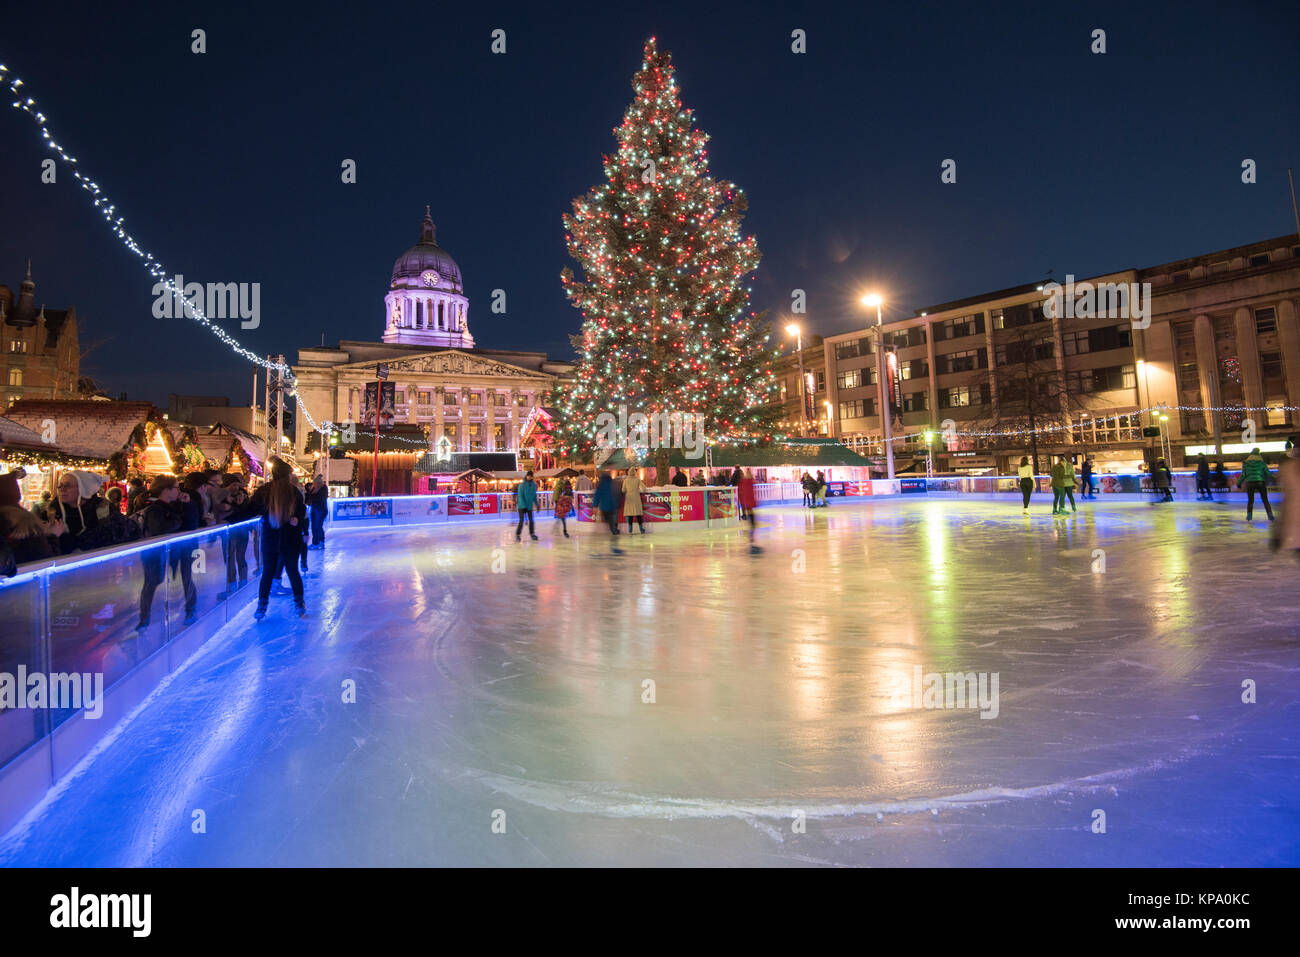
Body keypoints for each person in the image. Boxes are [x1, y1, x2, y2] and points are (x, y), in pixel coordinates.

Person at [229, 460, 306, 619]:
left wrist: (230, 519)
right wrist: (297, 520)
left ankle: (262, 606)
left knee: (268, 572)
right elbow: (301, 511)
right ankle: (299, 603)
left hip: (271, 537)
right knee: (292, 571)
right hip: (290, 538)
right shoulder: (293, 491)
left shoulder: (265, 491)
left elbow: (249, 510)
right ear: (287, 475)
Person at [136, 475, 198, 629]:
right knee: (153, 581)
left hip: (181, 548)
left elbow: (192, 525)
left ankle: (190, 609)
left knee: (186, 578)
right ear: (166, 490)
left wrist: (188, 505)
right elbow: (162, 529)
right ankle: (144, 619)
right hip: (156, 553)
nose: (179, 490)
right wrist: (178, 514)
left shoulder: (176, 505)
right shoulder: (154, 509)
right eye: (177, 487)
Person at [41, 470, 109, 554]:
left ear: (84, 489)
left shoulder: (104, 512)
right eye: (60, 485)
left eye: (67, 486)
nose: (62, 489)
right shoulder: (50, 514)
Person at [219, 473, 251, 596]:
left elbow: (244, 511)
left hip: (235, 529)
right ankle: (233, 583)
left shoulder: (241, 495)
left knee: (235, 556)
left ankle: (239, 582)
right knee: (230, 557)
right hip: (235, 529)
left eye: (237, 485)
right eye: (233, 485)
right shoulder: (224, 496)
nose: (236, 488)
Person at [1271, 445, 1300, 556]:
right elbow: (1286, 505)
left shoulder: (1288, 469)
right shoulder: (1289, 470)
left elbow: (1285, 505)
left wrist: (1277, 534)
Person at [1238, 447, 1274, 521]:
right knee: (1265, 500)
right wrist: (1275, 477)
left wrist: (1239, 483)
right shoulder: (1262, 463)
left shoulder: (1246, 464)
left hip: (1250, 483)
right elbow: (1268, 474)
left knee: (1251, 500)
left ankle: (1249, 516)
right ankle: (1270, 515)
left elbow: (1243, 475)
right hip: (1260, 482)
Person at [593, 470, 620, 540]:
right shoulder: (613, 482)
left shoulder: (601, 484)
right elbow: (617, 492)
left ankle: (613, 529)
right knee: (613, 518)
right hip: (613, 504)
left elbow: (597, 495)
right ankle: (614, 529)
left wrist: (595, 505)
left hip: (605, 506)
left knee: (609, 519)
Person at [738, 468, 759, 552]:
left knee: (752, 522)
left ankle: (751, 537)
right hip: (749, 504)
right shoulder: (747, 482)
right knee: (752, 523)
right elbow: (748, 494)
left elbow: (748, 493)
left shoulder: (746, 482)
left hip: (748, 504)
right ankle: (751, 538)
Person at [515, 469, 539, 541]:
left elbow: (534, 496)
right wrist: (524, 506)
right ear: (526, 476)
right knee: (521, 521)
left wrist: (537, 505)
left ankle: (532, 534)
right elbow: (520, 496)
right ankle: (518, 535)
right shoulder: (521, 485)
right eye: (528, 476)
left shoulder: (534, 485)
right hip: (521, 506)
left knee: (531, 521)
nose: (530, 477)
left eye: (531, 476)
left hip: (529, 506)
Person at [307, 474, 328, 549]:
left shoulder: (323, 488)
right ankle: (315, 542)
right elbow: (309, 497)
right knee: (313, 526)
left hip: (320, 510)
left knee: (318, 526)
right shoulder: (313, 489)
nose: (314, 484)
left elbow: (320, 498)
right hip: (314, 509)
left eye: (315, 483)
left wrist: (312, 495)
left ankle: (321, 542)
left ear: (319, 483)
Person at [623, 469, 646, 533]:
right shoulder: (638, 480)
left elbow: (623, 490)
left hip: (629, 499)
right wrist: (638, 490)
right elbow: (644, 489)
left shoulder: (626, 480)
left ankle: (630, 529)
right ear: (635, 473)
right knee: (638, 514)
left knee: (630, 515)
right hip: (636, 498)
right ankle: (641, 529)